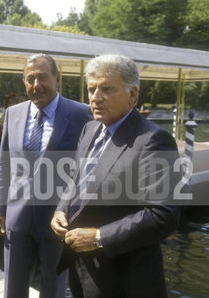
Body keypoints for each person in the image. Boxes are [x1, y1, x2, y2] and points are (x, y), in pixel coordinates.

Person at [51, 54, 180, 298]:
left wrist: (100, 237)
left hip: (124, 280)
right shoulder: (90, 129)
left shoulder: (154, 140)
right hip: (80, 269)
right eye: (91, 89)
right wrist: (62, 208)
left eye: (107, 89)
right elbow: (76, 179)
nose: (95, 97)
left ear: (132, 95)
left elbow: (164, 215)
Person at [0, 54, 92, 298]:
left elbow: (89, 168)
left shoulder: (82, 114)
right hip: (17, 219)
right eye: (30, 79)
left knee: (53, 288)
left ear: (58, 78)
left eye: (43, 77)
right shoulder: (13, 113)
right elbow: (4, 164)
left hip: (58, 220)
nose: (36, 85)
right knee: (13, 288)